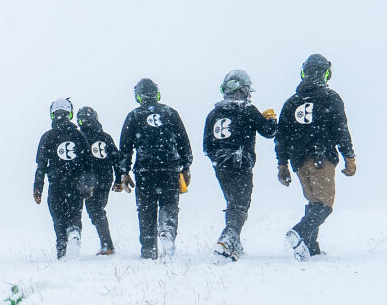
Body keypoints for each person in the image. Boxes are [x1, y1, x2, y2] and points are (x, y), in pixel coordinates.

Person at [274, 54, 357, 260]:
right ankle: (300, 231)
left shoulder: (291, 102)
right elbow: (341, 130)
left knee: (313, 202)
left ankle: (311, 247)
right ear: (326, 73)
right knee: (325, 205)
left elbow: (281, 136)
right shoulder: (331, 98)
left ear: (304, 73)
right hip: (322, 159)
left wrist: (282, 164)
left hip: (298, 161)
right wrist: (349, 156)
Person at [202, 69, 278, 260]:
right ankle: (227, 239)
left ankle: (234, 245)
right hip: (240, 163)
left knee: (232, 203)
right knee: (241, 204)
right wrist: (271, 119)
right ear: (243, 90)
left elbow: (206, 145)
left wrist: (217, 159)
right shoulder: (247, 110)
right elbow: (268, 132)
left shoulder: (213, 113)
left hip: (220, 165)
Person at [116, 78, 192, 259]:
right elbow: (183, 141)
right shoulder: (170, 113)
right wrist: (186, 166)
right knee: (169, 205)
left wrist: (124, 172)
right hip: (170, 168)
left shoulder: (133, 116)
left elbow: (125, 148)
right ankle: (167, 229)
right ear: (156, 94)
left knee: (146, 209)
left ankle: (149, 248)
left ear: (138, 96)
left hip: (145, 170)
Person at [33, 98, 89, 259]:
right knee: (74, 214)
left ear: (52, 114)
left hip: (56, 183)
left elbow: (41, 164)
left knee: (58, 217)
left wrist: (38, 187)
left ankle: (62, 248)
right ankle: (74, 231)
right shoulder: (78, 135)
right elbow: (88, 162)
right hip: (76, 184)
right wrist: (88, 184)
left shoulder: (48, 137)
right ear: (69, 113)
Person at [75, 105, 125, 255]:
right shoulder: (105, 137)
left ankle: (107, 245)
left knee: (95, 211)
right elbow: (117, 159)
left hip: (88, 180)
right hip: (105, 179)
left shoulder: (79, 137)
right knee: (98, 210)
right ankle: (106, 244)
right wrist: (118, 179)